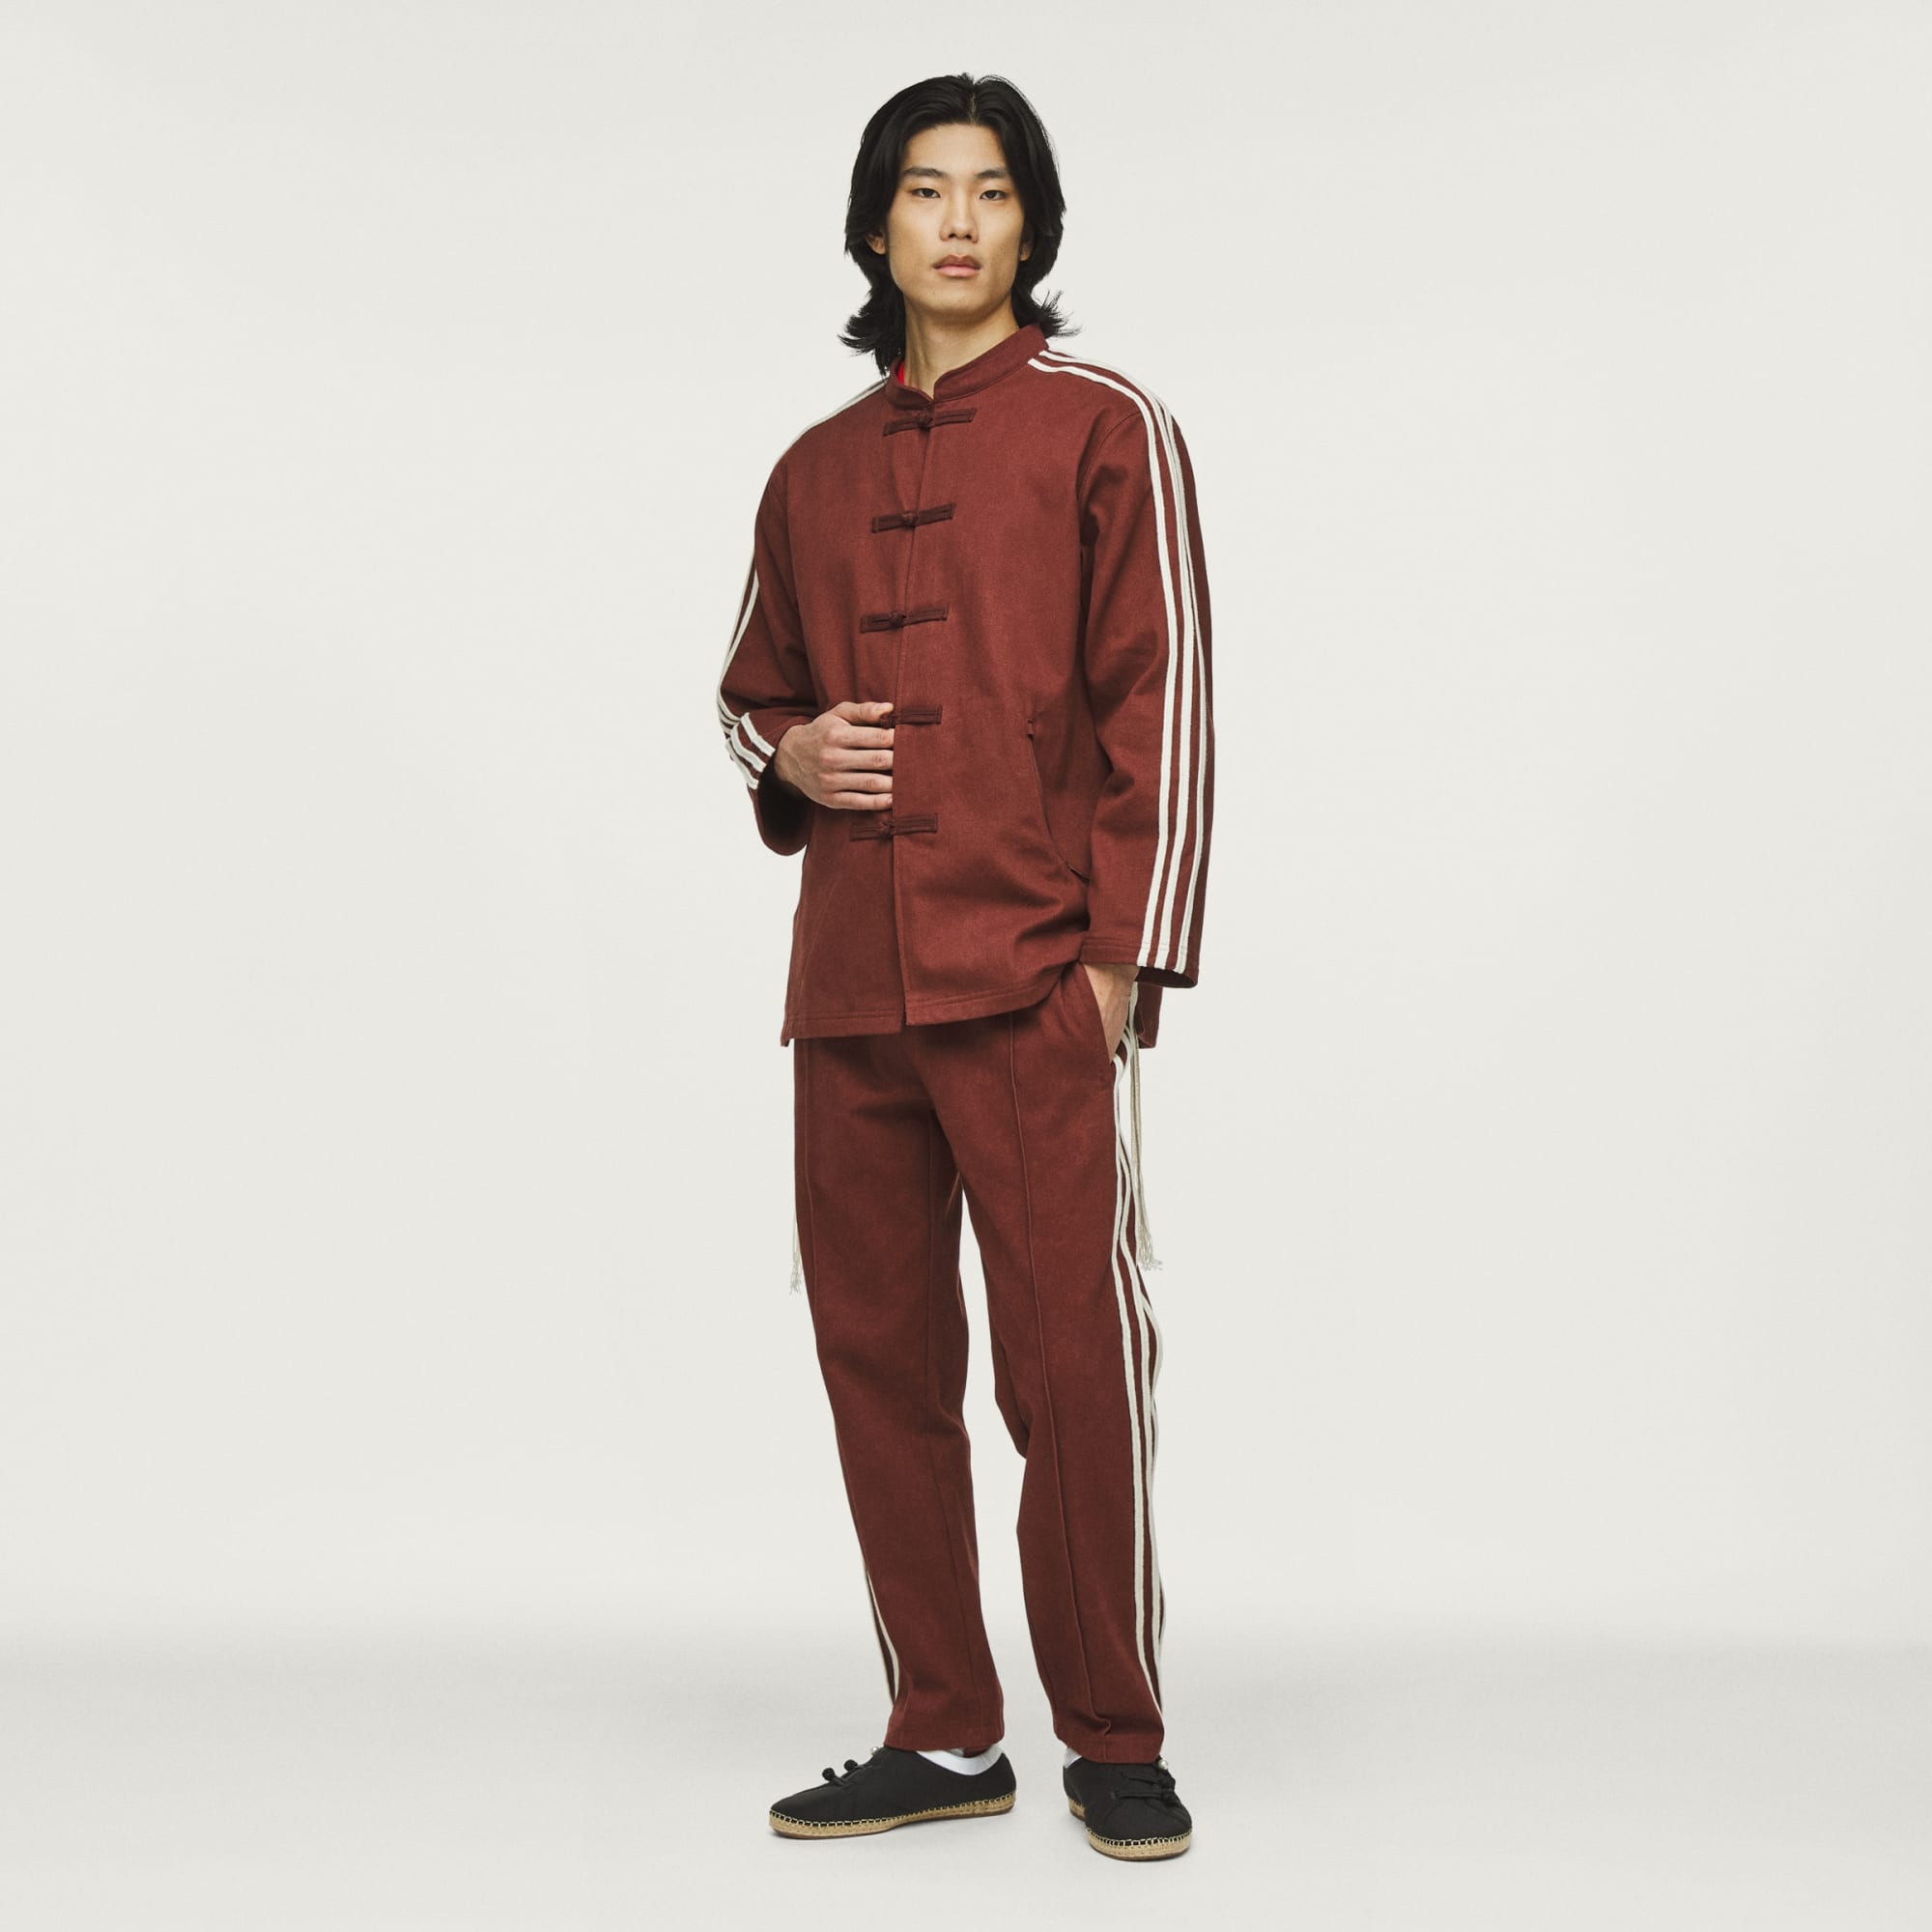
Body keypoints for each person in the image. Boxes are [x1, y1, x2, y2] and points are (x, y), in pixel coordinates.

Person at [713, 71, 1215, 1862]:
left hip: (1033, 974)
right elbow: (749, 689)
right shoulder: (810, 470)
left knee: (1071, 1366)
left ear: (1031, 224)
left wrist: (1121, 967)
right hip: (849, 985)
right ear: (875, 226)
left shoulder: (1107, 428)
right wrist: (788, 753)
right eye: (926, 191)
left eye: (992, 192)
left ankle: (1113, 1734)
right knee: (879, 1360)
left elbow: (1168, 705)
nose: (957, 222)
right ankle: (941, 1728)